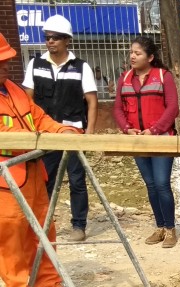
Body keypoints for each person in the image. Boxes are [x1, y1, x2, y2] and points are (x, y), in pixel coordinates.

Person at [0, 34, 79, 287]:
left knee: (44, 228)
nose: (7, 66)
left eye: (8, 61)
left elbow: (38, 116)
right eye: (2, 62)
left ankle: (47, 285)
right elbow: (10, 135)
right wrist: (39, 138)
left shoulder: (15, 91)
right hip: (6, 178)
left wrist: (60, 131)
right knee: (12, 236)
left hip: (32, 171)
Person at [22, 14, 97, 242]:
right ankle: (44, 224)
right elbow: (27, 101)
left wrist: (90, 135)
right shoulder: (35, 64)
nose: (50, 41)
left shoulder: (81, 67)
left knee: (76, 181)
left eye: (55, 37)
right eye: (47, 37)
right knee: (45, 180)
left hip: (74, 134)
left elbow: (92, 101)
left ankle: (78, 226)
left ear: (67, 40)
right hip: (46, 135)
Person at [113, 36, 180, 248]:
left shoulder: (163, 76)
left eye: (138, 53)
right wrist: (127, 129)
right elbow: (117, 108)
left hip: (160, 139)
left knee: (161, 183)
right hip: (137, 141)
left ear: (150, 57)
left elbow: (173, 108)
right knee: (150, 185)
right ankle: (159, 227)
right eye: (131, 52)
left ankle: (170, 229)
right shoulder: (124, 79)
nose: (132, 56)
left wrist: (155, 130)